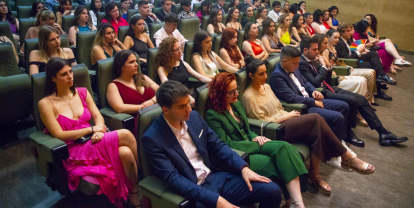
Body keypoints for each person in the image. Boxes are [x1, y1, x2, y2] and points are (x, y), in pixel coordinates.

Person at [241, 57, 376, 194]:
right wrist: (286, 116)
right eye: (261, 74)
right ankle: (346, 156)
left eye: (265, 72)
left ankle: (315, 175)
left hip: (287, 120)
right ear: (251, 75)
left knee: (316, 131)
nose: (265, 76)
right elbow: (262, 121)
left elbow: (279, 106)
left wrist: (288, 115)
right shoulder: (248, 96)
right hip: (275, 130)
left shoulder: (267, 87)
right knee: (316, 119)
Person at [142, 80, 282, 208]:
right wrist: (217, 200)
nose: (189, 109)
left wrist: (243, 168)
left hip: (216, 177)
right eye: (182, 107)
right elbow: (173, 179)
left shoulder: (194, 118)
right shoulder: (153, 138)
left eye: (188, 103)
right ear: (165, 110)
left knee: (273, 191)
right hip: (194, 192)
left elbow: (218, 145)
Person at [38, 58, 141, 207]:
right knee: (125, 134)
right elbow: (59, 134)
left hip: (93, 140)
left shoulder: (82, 92)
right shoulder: (45, 103)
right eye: (64, 74)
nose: (70, 77)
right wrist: (92, 129)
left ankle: (134, 193)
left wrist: (99, 129)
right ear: (53, 78)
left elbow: (98, 116)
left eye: (70, 72)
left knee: (125, 152)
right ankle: (149, 175)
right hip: (73, 149)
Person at [206, 73, 308, 206]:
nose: (236, 94)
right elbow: (226, 144)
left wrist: (256, 137)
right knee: (274, 162)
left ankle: (297, 202)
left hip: (252, 143)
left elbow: (247, 130)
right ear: (220, 93)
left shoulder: (235, 104)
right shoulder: (212, 115)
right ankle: (291, 200)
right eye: (231, 92)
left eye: (236, 89)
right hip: (240, 155)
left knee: (286, 147)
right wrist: (254, 145)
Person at [299, 37, 408, 146]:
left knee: (361, 98)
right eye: (314, 49)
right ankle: (348, 133)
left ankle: (382, 132)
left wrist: (327, 66)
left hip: (328, 87)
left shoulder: (314, 59)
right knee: (352, 101)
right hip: (319, 93)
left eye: (317, 49)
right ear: (305, 50)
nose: (317, 52)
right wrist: (323, 67)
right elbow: (315, 83)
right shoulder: (302, 63)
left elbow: (326, 80)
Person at [326, 29, 380, 113]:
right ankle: (361, 108)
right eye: (335, 37)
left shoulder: (333, 47)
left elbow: (337, 61)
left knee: (371, 71)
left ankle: (367, 102)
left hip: (341, 68)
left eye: (338, 38)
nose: (337, 40)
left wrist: (345, 65)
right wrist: (343, 66)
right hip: (337, 71)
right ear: (328, 37)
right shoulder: (326, 50)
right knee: (363, 79)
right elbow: (330, 65)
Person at [106, 50, 158, 122]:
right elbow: (120, 108)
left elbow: (160, 90)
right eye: (131, 62)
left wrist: (152, 101)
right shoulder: (113, 86)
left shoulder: (142, 77)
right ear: (122, 67)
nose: (136, 64)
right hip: (139, 121)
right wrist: (143, 107)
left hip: (157, 113)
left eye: (136, 61)